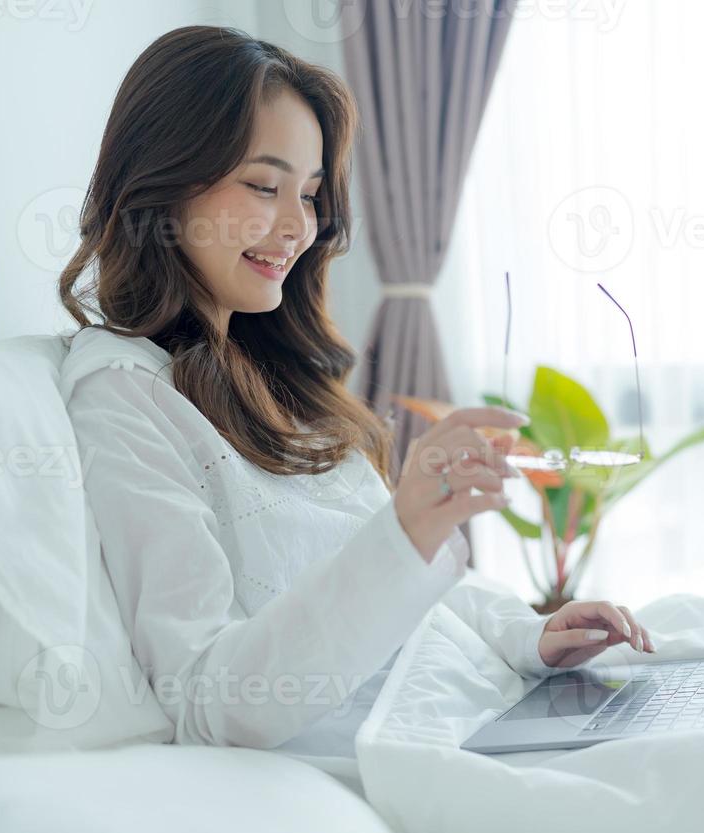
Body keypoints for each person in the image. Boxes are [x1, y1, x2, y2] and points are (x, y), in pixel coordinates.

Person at [56, 25, 653, 756]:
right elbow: (212, 703)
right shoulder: (123, 395)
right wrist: (403, 533)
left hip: (478, 705)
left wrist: (530, 636)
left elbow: (402, 592)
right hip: (411, 745)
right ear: (162, 184)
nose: (296, 227)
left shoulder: (271, 373)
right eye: (263, 186)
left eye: (307, 195)